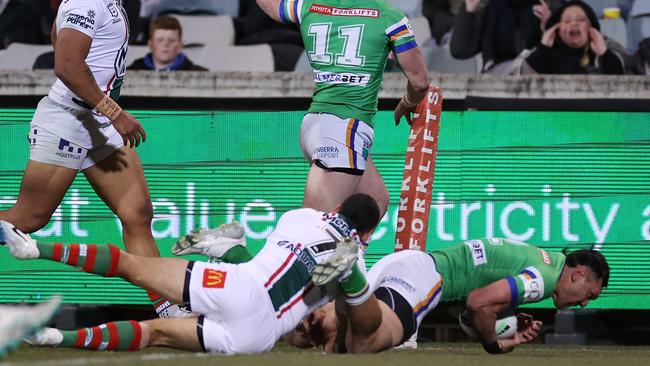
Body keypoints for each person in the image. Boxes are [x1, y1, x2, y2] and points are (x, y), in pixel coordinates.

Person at [0, 193, 381, 354]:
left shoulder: (300, 216)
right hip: (259, 336)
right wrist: (339, 339)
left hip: (240, 286)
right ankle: (55, 338)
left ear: (336, 207)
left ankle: (36, 249)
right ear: (367, 234)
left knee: (133, 266)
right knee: (154, 333)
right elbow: (356, 323)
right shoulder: (359, 259)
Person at [0, 0, 184, 318]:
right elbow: (67, 64)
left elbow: (61, 39)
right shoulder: (87, 1)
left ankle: (168, 308)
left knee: (137, 214)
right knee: (29, 219)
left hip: (95, 120)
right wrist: (113, 111)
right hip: (69, 119)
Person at [255, 0, 429, 219]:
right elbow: (420, 82)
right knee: (313, 229)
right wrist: (407, 102)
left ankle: (350, 253)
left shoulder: (309, 6)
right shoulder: (390, 17)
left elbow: (270, 5)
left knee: (375, 199)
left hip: (316, 125)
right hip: (344, 130)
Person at [295, 238, 609, 354]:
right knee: (362, 346)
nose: (583, 303)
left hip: (413, 267)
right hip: (422, 281)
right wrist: (493, 344)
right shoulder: (543, 278)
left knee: (323, 337)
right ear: (578, 274)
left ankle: (346, 277)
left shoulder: (546, 260)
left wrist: (504, 314)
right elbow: (477, 304)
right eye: (588, 296)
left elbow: (470, 306)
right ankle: (353, 272)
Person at [521, 0, 630, 74]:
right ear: (558, 30)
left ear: (590, 27)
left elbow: (625, 78)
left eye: (581, 19)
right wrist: (543, 49)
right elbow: (522, 78)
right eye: (567, 21)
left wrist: (605, 53)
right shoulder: (544, 52)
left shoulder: (608, 48)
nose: (574, 24)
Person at [127, 15, 208, 71]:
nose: (165, 44)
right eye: (160, 40)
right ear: (150, 45)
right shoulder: (129, 73)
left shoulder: (200, 75)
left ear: (180, 45)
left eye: (171, 40)